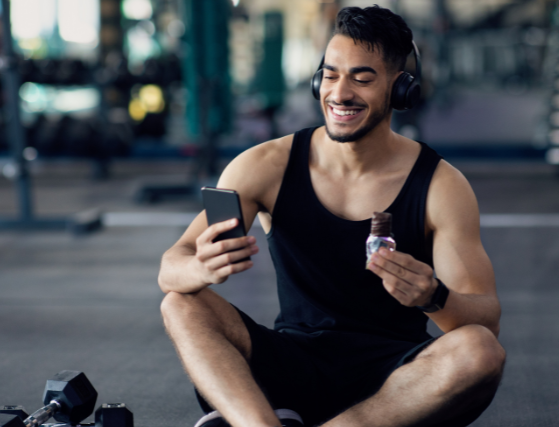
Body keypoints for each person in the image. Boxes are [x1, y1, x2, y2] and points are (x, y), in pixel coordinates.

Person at [158, 5, 505, 427]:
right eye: (330, 73)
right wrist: (198, 266)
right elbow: (170, 269)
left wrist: (433, 297)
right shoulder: (265, 165)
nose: (340, 93)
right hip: (292, 365)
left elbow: (485, 320)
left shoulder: (440, 185)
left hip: (393, 386)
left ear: (400, 89)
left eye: (362, 78)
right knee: (181, 304)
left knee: (480, 352)